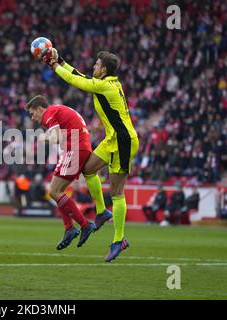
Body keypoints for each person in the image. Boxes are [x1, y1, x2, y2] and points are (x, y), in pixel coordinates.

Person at [41, 49, 139, 262]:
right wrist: (61, 61)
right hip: (111, 139)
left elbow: (77, 82)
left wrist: (55, 66)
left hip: (123, 141)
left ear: (103, 70)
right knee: (87, 168)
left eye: (96, 65)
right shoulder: (109, 83)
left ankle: (119, 239)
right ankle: (102, 212)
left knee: (117, 192)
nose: (93, 67)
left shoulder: (104, 86)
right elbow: (82, 76)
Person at [25, 95, 96, 250]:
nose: (33, 118)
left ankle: (83, 225)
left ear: (39, 109)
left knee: (54, 191)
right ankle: (70, 228)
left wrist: (43, 138)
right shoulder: (58, 110)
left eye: (32, 113)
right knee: (56, 191)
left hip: (75, 148)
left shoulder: (50, 112)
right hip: (79, 147)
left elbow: (56, 137)